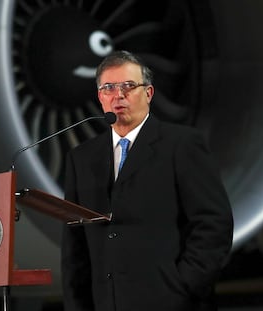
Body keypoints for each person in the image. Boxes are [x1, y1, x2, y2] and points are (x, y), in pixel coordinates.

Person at [61, 50, 234, 311]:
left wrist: (182, 286)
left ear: (149, 93)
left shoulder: (182, 144)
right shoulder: (81, 158)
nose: (118, 95)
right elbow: (75, 246)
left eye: (128, 86)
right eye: (109, 88)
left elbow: (213, 223)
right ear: (100, 97)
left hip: (172, 303)